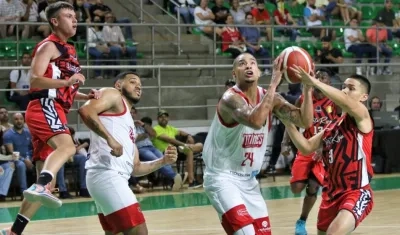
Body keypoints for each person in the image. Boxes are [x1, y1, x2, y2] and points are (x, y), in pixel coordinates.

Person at [1, 2, 99, 235]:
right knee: (67, 148)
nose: (74, 20)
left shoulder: (70, 50)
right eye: (68, 16)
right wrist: (67, 82)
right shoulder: (47, 46)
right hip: (45, 106)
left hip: (54, 108)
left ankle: (14, 231)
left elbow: (65, 90)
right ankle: (40, 183)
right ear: (54, 21)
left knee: (48, 182)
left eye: (75, 16)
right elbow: (35, 80)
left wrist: (85, 93)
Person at [202, 53, 314, 235]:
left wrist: (308, 88)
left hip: (249, 181)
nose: (248, 66)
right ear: (234, 74)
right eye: (242, 64)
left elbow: (304, 121)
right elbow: (255, 120)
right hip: (222, 178)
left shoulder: (272, 97)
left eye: (253, 63)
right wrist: (274, 83)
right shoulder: (230, 99)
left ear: (259, 71)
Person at [78, 72, 178, 235]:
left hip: (110, 178)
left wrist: (163, 161)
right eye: (132, 82)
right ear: (118, 85)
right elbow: (86, 110)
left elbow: (136, 168)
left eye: (140, 84)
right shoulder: (112, 94)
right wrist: (109, 139)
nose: (138, 86)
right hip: (107, 175)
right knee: (139, 231)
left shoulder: (129, 125)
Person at [283, 67, 374, 235]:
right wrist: (287, 123)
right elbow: (306, 147)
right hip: (330, 194)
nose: (345, 90)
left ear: (364, 97)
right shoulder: (331, 126)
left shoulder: (362, 115)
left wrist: (314, 82)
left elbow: (346, 103)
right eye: (344, 87)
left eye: (351, 88)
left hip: (356, 192)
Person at [286, 69, 340, 235]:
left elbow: (340, 126)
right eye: (318, 77)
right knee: (296, 188)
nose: (321, 80)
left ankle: (302, 220)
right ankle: (308, 181)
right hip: (306, 147)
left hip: (325, 150)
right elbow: (290, 120)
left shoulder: (335, 101)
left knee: (314, 186)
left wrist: (323, 146)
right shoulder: (302, 99)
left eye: (324, 78)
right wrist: (284, 143)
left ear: (329, 83)